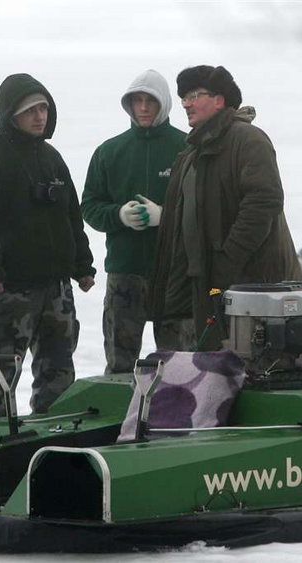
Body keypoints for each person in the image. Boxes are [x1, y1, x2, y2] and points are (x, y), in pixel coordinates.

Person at [0, 73, 96, 419]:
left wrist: (83, 265)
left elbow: (72, 216)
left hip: (56, 288)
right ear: (10, 114)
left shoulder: (52, 158)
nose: (39, 117)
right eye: (30, 111)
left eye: (43, 109)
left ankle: (55, 433)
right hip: (10, 289)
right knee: (3, 372)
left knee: (59, 370)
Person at [148, 65, 301, 352]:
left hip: (250, 289)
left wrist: (227, 263)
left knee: (246, 372)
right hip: (203, 288)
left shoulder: (249, 140)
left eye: (194, 95)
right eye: (183, 97)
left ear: (219, 100)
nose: (185, 103)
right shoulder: (190, 153)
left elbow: (263, 203)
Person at [80, 69, 190, 374]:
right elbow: (88, 206)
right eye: (137, 101)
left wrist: (164, 216)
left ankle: (173, 416)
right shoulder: (109, 152)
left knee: (178, 363)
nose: (143, 107)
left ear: (164, 105)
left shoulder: (186, 149)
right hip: (124, 273)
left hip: (173, 272)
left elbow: (203, 210)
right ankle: (119, 418)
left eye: (150, 101)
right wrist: (118, 215)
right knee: (119, 361)